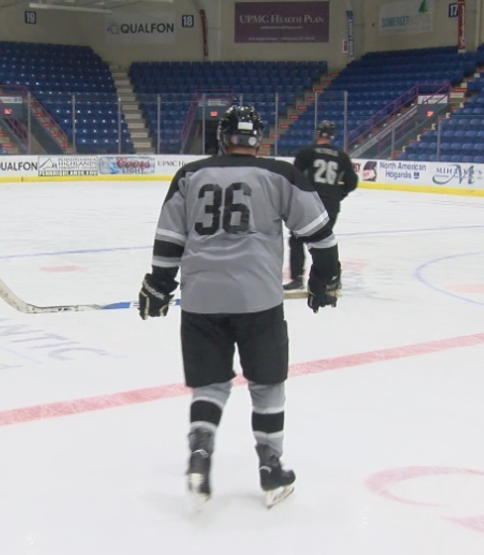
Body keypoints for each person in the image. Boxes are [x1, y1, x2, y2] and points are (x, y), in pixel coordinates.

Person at [137, 106, 341, 508]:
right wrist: (324, 279)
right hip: (258, 300)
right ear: (258, 139)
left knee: (210, 384)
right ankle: (271, 465)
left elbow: (168, 239)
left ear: (222, 137)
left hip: (201, 300)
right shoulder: (280, 174)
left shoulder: (190, 174)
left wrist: (159, 286)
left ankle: (199, 454)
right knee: (267, 383)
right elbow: (320, 233)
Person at [283, 121, 358, 291]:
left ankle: (297, 278)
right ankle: (332, 278)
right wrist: (338, 194)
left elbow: (294, 178)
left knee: (297, 239)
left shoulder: (307, 153)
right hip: (331, 204)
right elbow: (352, 182)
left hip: (309, 203)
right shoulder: (341, 156)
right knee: (323, 241)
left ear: (317, 134)